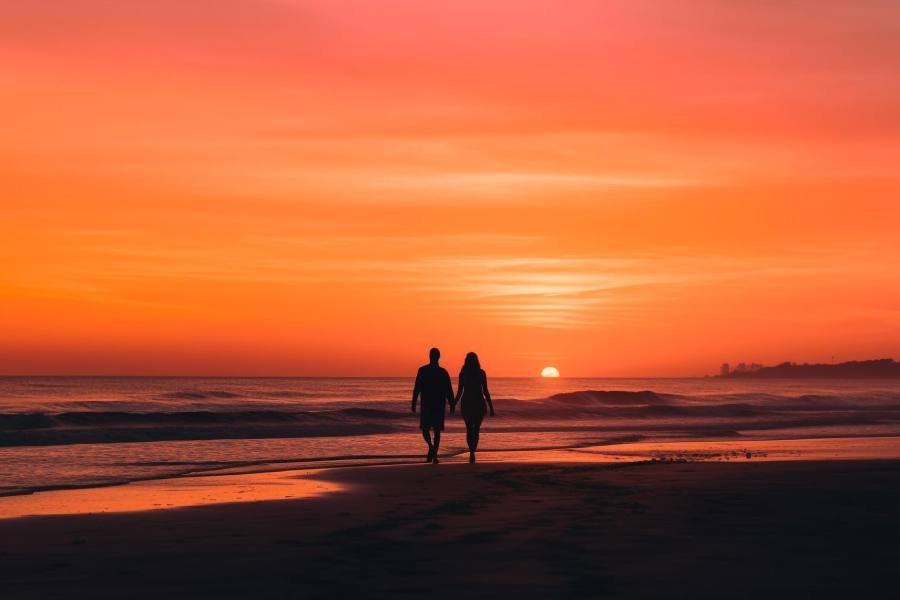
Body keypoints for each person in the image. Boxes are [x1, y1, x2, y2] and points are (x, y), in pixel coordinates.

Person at [411, 347, 454, 464]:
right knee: (434, 431)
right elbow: (449, 390)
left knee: (429, 430)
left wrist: (414, 403)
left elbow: (417, 388)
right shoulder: (430, 371)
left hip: (431, 405)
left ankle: (433, 451)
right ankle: (433, 450)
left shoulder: (431, 371)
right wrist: (452, 404)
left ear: (431, 356)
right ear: (438, 357)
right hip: (435, 405)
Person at [452, 352, 494, 463]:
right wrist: (491, 407)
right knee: (476, 429)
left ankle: (471, 451)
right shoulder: (480, 373)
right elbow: (485, 391)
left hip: (467, 403)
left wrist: (453, 404)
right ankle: (473, 449)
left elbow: (459, 392)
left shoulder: (463, 374)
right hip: (478, 403)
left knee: (469, 429)